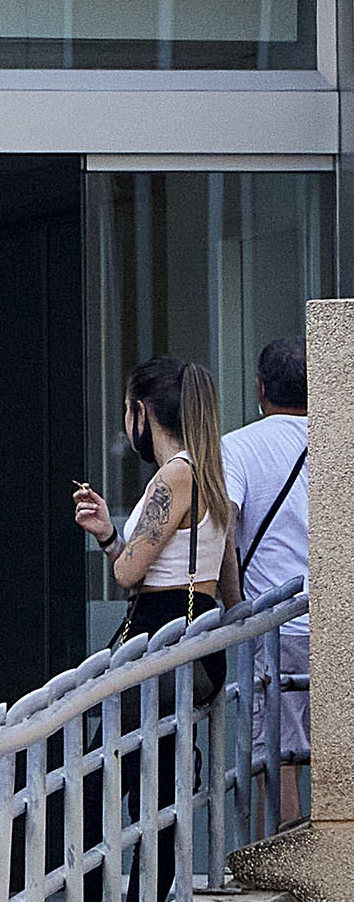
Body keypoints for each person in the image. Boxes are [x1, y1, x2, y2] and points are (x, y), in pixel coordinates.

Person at [72, 353, 237, 704]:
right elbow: (230, 584)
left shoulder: (174, 476)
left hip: (164, 640)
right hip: (198, 635)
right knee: (156, 754)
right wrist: (107, 534)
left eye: (128, 411)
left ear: (142, 412)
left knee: (112, 755)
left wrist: (122, 554)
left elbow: (128, 574)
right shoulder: (210, 471)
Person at [226, 333, 310, 815]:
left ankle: (287, 873)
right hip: (338, 622)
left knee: (278, 761)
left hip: (274, 627)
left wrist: (238, 607)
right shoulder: (341, 445)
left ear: (260, 388)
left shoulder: (236, 448)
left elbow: (225, 526)